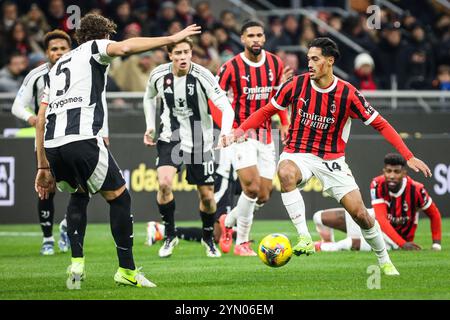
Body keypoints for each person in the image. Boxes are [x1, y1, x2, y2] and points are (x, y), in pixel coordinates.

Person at [223, 37, 432, 276]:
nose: (309, 64)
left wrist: (409, 156)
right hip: (297, 153)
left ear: (329, 61)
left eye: (315, 59)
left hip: (331, 160)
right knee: (285, 173)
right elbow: (267, 111)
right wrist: (238, 131)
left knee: (361, 214)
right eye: (308, 59)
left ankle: (384, 260)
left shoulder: (348, 94)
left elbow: (381, 124)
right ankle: (304, 237)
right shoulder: (296, 85)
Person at [34, 13, 201, 289]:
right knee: (120, 199)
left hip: (53, 144)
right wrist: (171, 39)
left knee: (79, 193)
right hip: (82, 138)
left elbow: (41, 119)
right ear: (103, 36)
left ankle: (77, 262)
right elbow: (125, 48)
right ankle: (127, 270)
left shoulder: (55, 68)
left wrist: (42, 167)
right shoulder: (94, 47)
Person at [142, 37, 234, 258]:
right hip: (170, 136)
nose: (183, 57)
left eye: (186, 52)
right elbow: (148, 97)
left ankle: (207, 237)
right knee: (164, 183)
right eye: (178, 53)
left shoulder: (203, 76)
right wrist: (150, 127)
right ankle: (170, 235)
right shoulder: (158, 75)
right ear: (170, 55)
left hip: (199, 140)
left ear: (191, 53)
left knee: (207, 197)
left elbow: (227, 108)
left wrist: (225, 131)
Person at [215, 20, 292, 256]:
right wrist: (227, 129)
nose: (256, 39)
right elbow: (214, 100)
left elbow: (277, 98)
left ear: (264, 38)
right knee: (251, 187)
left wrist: (285, 122)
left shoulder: (275, 63)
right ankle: (243, 242)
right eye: (251, 35)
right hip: (242, 134)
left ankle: (228, 222)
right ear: (242, 39)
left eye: (260, 35)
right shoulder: (230, 67)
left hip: (267, 135)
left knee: (264, 195)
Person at [11, 29, 73, 255]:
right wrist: (32, 117)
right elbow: (17, 105)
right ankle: (48, 238)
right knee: (47, 188)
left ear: (70, 50)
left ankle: (67, 225)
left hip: (75, 136)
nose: (58, 53)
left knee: (81, 187)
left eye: (63, 48)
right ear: (47, 53)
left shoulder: (81, 72)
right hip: (46, 138)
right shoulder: (36, 75)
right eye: (54, 49)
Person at [313, 153, 442, 252]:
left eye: (396, 172)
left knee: (347, 244)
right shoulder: (377, 183)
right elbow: (381, 218)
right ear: (384, 171)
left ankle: (320, 247)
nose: (391, 175)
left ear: (404, 173)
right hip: (375, 221)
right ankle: (327, 241)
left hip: (392, 239)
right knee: (319, 217)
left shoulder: (416, 189)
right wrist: (403, 244)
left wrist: (436, 245)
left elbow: (434, 214)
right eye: (388, 171)